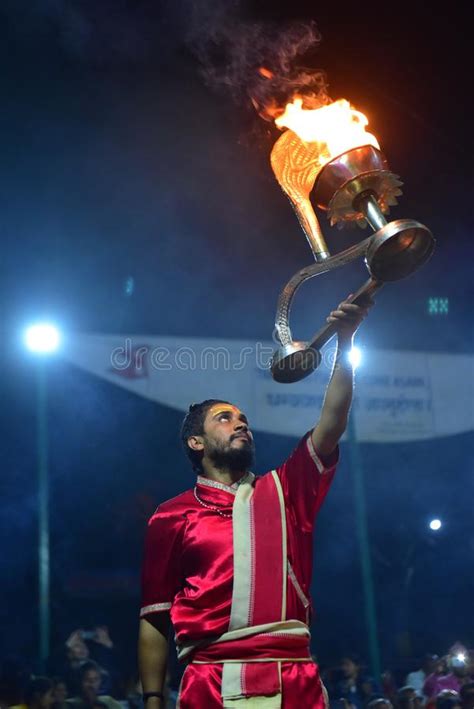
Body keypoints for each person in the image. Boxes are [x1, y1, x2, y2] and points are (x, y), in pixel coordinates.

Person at [138, 295, 374, 707]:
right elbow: (155, 616)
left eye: (243, 418)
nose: (240, 422)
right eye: (224, 418)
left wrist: (347, 339)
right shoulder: (170, 516)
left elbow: (332, 422)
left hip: (293, 678)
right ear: (196, 442)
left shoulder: (286, 490)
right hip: (208, 682)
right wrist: (153, 700)